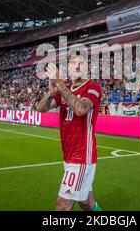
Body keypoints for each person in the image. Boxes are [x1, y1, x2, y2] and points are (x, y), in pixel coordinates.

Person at [37, 52, 103, 211]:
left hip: (81, 156)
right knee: (86, 202)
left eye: (81, 62)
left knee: (62, 205)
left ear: (86, 67)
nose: (78, 65)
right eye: (74, 63)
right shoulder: (64, 88)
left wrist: (58, 83)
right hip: (68, 154)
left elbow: (80, 109)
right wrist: (51, 93)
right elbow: (41, 109)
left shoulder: (92, 87)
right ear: (68, 67)